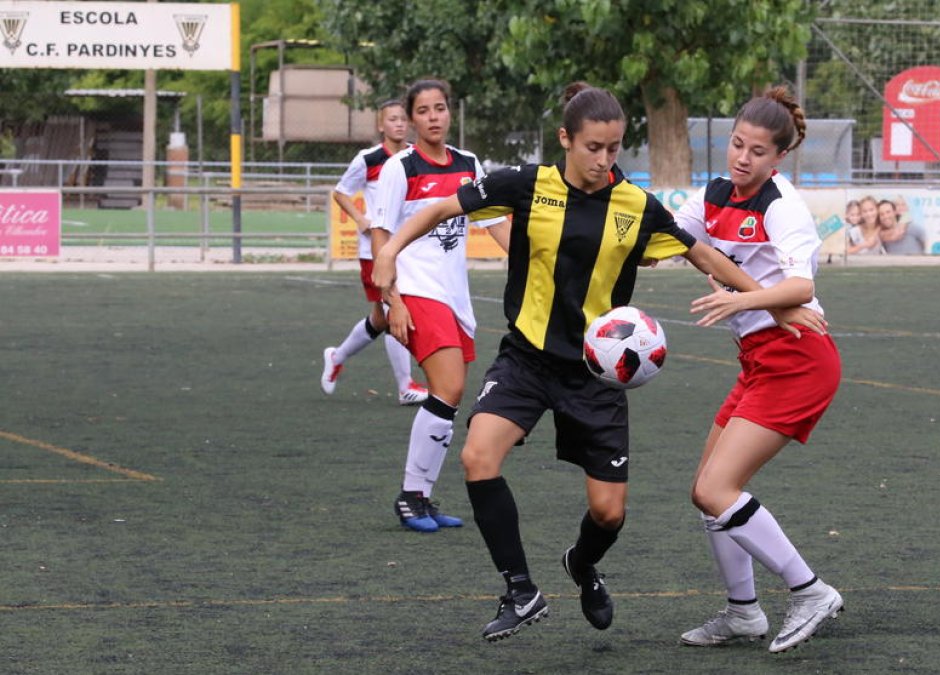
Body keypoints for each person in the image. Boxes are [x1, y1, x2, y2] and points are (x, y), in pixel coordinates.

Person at [373, 82, 815, 642]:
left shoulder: (635, 205)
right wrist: (388, 251)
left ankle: (581, 565)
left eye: (614, 149)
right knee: (478, 457)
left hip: (597, 374)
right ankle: (520, 590)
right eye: (593, 148)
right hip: (526, 360)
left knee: (608, 514)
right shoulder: (525, 185)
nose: (605, 161)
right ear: (565, 139)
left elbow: (699, 252)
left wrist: (776, 306)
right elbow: (442, 207)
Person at [673, 86, 845, 654]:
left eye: (757, 151)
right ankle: (743, 613)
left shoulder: (782, 204)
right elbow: (676, 237)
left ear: (779, 158)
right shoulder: (717, 192)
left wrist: (740, 299)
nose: (742, 158)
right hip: (758, 361)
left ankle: (811, 591)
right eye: (737, 144)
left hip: (798, 360)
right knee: (708, 491)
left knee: (717, 487)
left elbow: (802, 287)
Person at [373, 80, 510, 533]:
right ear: (411, 119)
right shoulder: (400, 168)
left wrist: (533, 263)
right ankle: (410, 496)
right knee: (448, 386)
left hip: (455, 297)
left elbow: (492, 222)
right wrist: (391, 299)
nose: (434, 116)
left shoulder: (469, 164)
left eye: (440, 108)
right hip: (415, 290)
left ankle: (422, 496)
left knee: (446, 396)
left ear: (450, 113)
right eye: (424, 110)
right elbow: (382, 238)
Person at [322, 100, 429, 405]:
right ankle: (406, 385)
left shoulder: (414, 156)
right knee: (394, 308)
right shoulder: (368, 159)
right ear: (381, 126)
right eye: (391, 120)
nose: (398, 124)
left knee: (382, 318)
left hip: (406, 248)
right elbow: (340, 192)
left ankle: (337, 356)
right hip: (376, 249)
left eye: (402, 119)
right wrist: (360, 220)